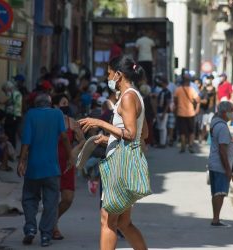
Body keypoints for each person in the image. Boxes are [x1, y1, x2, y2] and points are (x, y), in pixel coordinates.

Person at [79, 55, 148, 250]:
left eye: (109, 73)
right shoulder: (134, 95)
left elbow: (131, 133)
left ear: (118, 75)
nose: (108, 77)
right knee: (123, 223)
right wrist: (109, 138)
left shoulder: (127, 97)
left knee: (107, 221)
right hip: (127, 159)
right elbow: (144, 132)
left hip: (120, 162)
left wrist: (101, 124)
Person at [17, 93, 74, 247]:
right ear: (50, 104)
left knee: (29, 198)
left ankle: (30, 228)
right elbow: (64, 137)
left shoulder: (31, 115)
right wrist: (70, 156)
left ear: (36, 104)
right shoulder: (57, 114)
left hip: (34, 168)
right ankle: (46, 235)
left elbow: (26, 141)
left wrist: (22, 161)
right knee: (51, 202)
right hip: (52, 168)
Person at [51, 94, 85, 240]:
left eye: (67, 102)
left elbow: (83, 140)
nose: (66, 106)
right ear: (55, 106)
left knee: (68, 198)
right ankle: (53, 227)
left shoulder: (72, 122)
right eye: (63, 103)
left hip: (67, 163)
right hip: (51, 162)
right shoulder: (50, 121)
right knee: (52, 198)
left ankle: (52, 221)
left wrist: (73, 152)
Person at [208, 101, 233, 227]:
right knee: (220, 193)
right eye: (231, 110)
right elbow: (222, 150)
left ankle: (216, 218)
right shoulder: (223, 127)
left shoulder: (215, 122)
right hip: (220, 166)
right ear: (225, 113)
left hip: (213, 163)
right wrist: (228, 169)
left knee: (216, 193)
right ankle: (216, 219)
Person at [174, 69, 200, 153]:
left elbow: (175, 100)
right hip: (191, 113)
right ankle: (191, 145)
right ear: (189, 81)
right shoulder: (192, 90)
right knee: (191, 130)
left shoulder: (178, 89)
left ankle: (183, 146)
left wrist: (177, 106)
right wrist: (197, 109)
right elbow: (198, 100)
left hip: (180, 113)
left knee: (182, 131)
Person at [0, 81, 22, 148]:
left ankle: (9, 150)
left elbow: (5, 100)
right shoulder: (17, 93)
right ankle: (12, 150)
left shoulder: (10, 92)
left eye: (4, 90)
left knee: (9, 133)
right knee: (13, 134)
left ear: (7, 88)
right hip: (17, 115)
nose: (5, 92)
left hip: (11, 115)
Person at [155, 75, 172, 148]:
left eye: (163, 83)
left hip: (164, 112)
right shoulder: (161, 91)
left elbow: (168, 103)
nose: (162, 84)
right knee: (160, 127)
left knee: (163, 127)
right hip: (159, 110)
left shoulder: (168, 92)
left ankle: (163, 143)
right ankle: (161, 142)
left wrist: (164, 113)